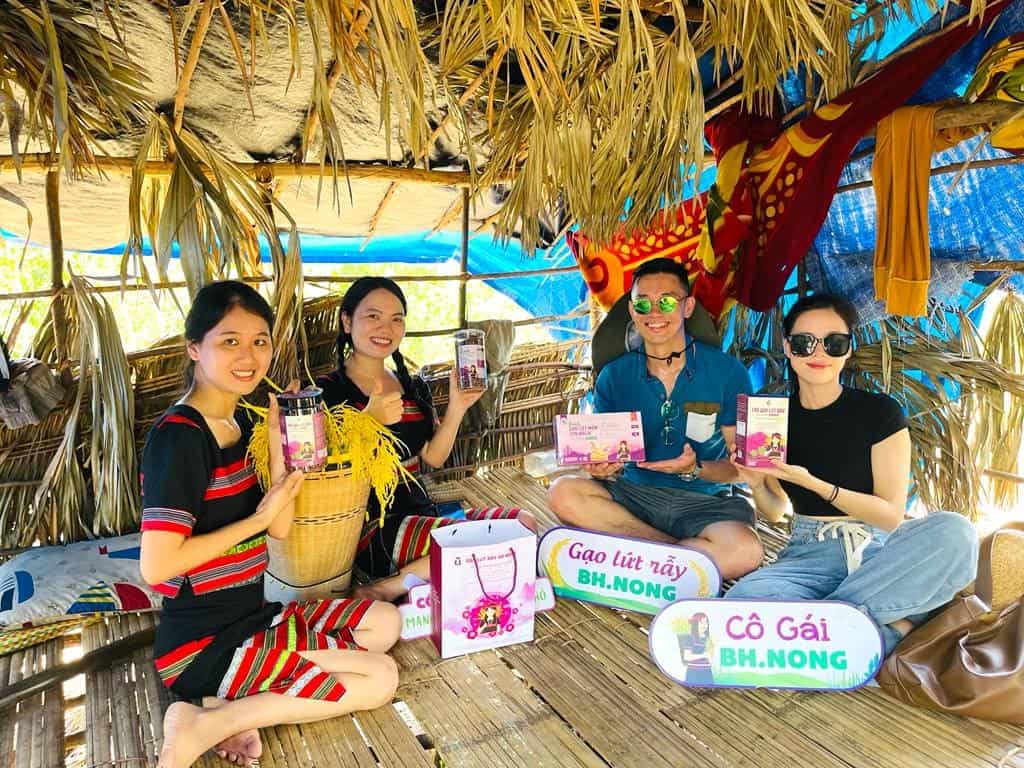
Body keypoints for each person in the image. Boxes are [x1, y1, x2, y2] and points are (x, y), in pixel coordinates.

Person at [139, 281, 402, 768]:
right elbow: (156, 568)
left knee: (386, 621)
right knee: (380, 678)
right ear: (194, 348)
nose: (249, 355)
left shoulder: (237, 422)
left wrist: (283, 449)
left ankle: (232, 705)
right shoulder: (179, 439)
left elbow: (277, 531)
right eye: (230, 341)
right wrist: (256, 519)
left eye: (260, 341)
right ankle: (209, 722)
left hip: (256, 617)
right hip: (202, 646)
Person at [725, 293, 979, 654]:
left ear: (847, 349)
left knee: (957, 533)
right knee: (745, 599)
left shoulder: (880, 413)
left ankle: (826, 626)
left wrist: (815, 485)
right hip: (806, 554)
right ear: (787, 347)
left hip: (877, 552)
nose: (818, 354)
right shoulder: (773, 414)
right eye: (803, 342)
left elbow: (890, 515)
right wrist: (755, 485)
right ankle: (884, 627)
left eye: (833, 343)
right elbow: (777, 510)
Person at [317, 277, 534, 602]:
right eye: (372, 316)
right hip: (371, 524)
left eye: (396, 319)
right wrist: (367, 421)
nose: (385, 328)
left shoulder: (412, 386)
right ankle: (388, 586)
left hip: (424, 513)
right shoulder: (328, 390)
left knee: (524, 525)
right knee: (462, 542)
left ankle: (421, 575)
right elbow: (321, 472)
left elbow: (432, 459)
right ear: (347, 321)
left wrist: (459, 405)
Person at [547, 258, 763, 580]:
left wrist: (695, 469)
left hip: (703, 503)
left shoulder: (728, 373)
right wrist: (604, 468)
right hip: (634, 497)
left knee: (746, 550)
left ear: (687, 307)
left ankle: (636, 561)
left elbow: (744, 469)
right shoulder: (614, 377)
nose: (654, 314)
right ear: (633, 312)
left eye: (666, 302)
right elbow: (608, 459)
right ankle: (679, 559)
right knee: (563, 492)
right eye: (643, 304)